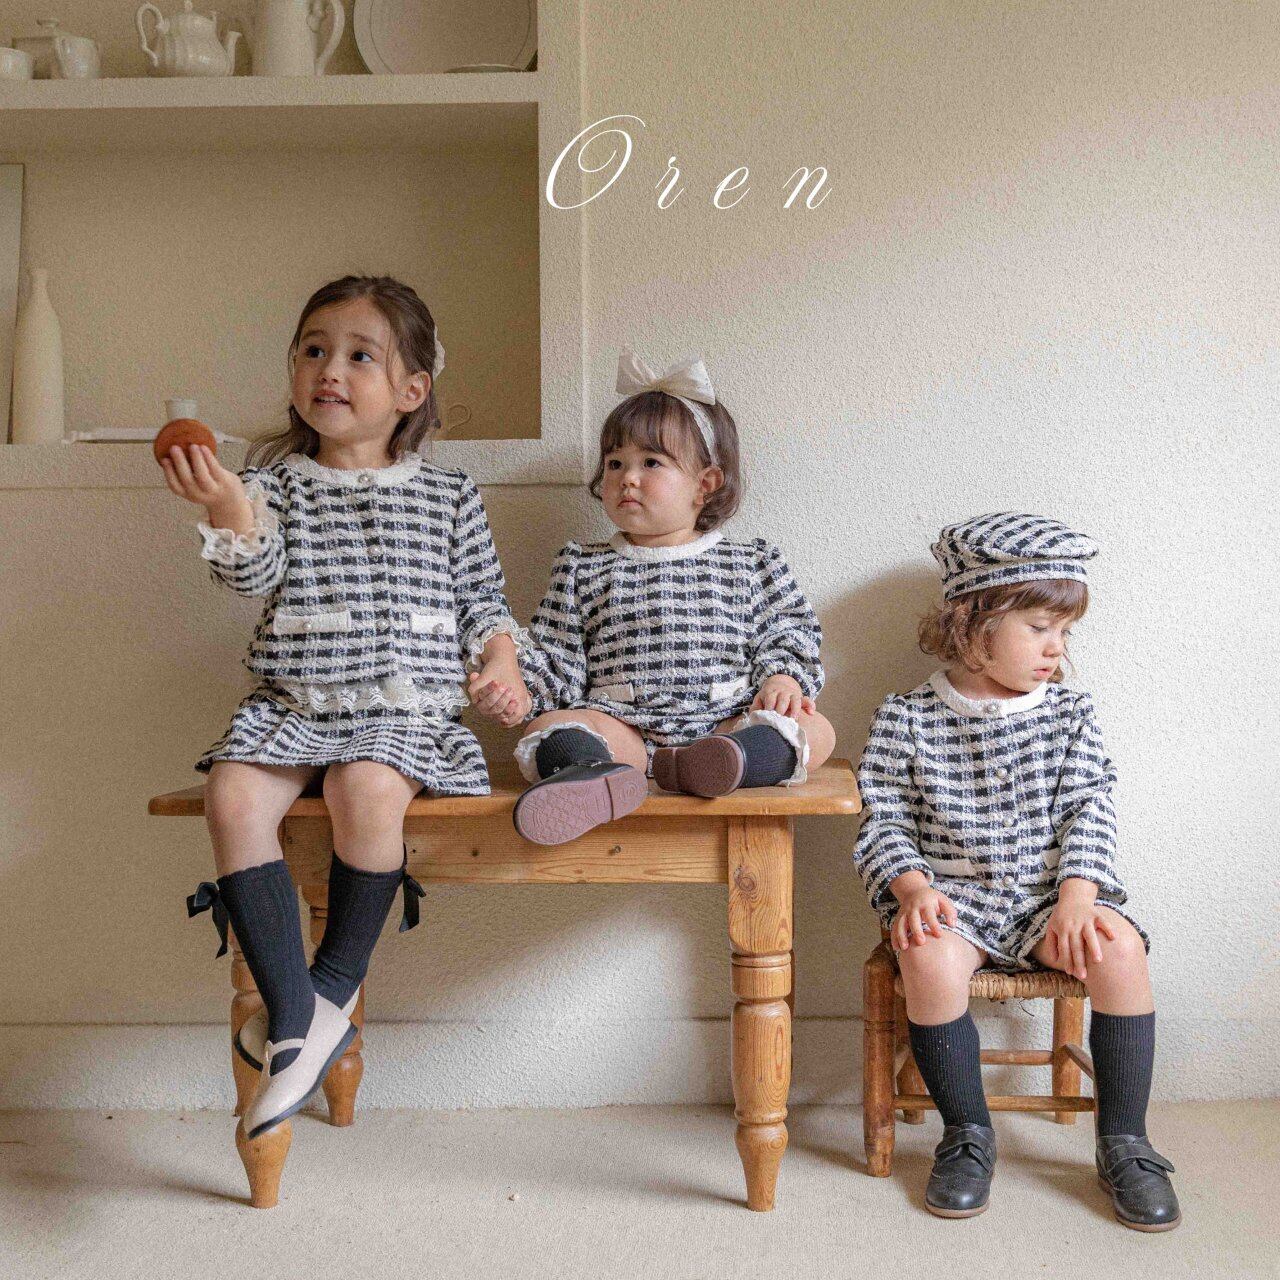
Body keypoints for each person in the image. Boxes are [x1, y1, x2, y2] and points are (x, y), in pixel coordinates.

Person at [168, 275, 530, 1138]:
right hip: (295, 702)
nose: (329, 369)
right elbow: (247, 576)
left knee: (363, 788)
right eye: (314, 350)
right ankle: (299, 1015)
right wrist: (229, 509)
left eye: (360, 355)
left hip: (402, 712)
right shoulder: (273, 484)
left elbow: (484, 603)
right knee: (231, 792)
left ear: (411, 390)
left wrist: (502, 663)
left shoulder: (450, 494)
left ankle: (324, 992)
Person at [853, 513, 1180, 1229]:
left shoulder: (1070, 714)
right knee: (928, 958)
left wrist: (1077, 898)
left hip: (1049, 898)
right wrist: (913, 890)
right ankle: (967, 1134)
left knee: (1120, 948)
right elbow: (882, 819)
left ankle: (1125, 1141)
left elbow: (1091, 808)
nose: (1056, 648)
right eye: (1039, 628)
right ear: (972, 624)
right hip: (951, 897)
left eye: (1064, 632)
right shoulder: (907, 717)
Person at [511, 348, 835, 845]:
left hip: (726, 722)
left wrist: (783, 676)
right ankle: (592, 777)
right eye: (615, 462)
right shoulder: (582, 565)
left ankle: (730, 763)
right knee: (551, 725)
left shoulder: (751, 562)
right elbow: (556, 655)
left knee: (817, 730)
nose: (627, 477)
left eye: (651, 462)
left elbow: (790, 629)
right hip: (623, 728)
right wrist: (519, 688)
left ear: (705, 484)